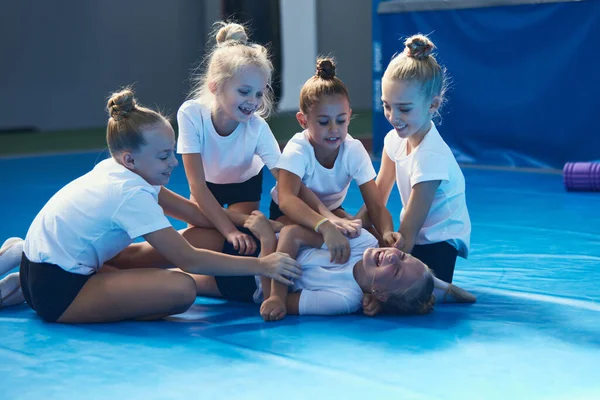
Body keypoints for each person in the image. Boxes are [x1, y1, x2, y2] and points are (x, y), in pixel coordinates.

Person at [0, 88, 300, 323]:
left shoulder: (118, 168)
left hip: (47, 263)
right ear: (131, 158)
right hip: (58, 292)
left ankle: (25, 261)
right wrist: (263, 264)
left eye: (172, 152)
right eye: (163, 157)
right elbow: (190, 260)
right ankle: (27, 288)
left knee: (206, 233)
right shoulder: (129, 194)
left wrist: (254, 223)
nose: (173, 163)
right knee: (180, 290)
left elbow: (195, 213)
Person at [184, 212, 475, 322]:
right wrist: (266, 245)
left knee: (186, 281)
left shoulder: (344, 299)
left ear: (379, 294)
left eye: (396, 269)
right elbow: (293, 233)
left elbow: (279, 300)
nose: (392, 256)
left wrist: (274, 291)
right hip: (253, 244)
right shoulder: (363, 241)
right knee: (179, 243)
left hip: (246, 283)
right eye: (402, 256)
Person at [359, 34, 471, 284]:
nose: (393, 116)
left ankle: (445, 291)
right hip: (413, 237)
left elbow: (408, 234)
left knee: (390, 287)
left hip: (437, 244)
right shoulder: (394, 140)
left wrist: (382, 259)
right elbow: (377, 197)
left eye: (404, 108)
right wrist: (353, 229)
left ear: (433, 105)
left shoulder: (430, 157)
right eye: (387, 106)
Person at [271, 57, 402, 266]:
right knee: (299, 234)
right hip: (290, 215)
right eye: (324, 122)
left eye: (341, 120)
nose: (334, 129)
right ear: (303, 120)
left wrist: (387, 233)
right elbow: (287, 200)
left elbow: (375, 205)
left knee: (377, 243)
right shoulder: (297, 150)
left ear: (349, 116)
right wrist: (325, 225)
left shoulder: (353, 150)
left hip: (332, 212)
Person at [176, 21, 281, 256]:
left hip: (244, 186)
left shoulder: (257, 128)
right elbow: (197, 185)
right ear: (215, 87)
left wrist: (320, 216)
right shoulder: (191, 114)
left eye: (259, 93)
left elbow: (285, 176)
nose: (253, 101)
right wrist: (228, 231)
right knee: (198, 240)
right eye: (244, 92)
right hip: (206, 187)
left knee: (240, 245)